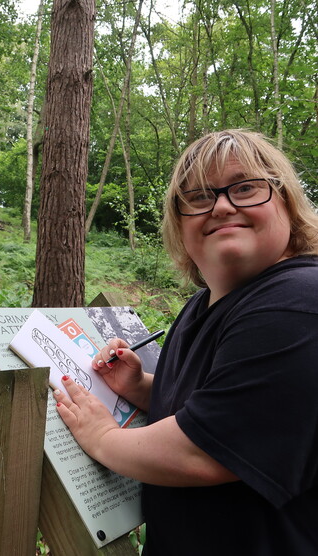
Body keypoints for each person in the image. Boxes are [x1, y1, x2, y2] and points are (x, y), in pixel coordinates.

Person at [54, 129, 318, 555]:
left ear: (286, 202)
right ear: (179, 223)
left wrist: (101, 436)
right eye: (198, 197)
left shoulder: (298, 302)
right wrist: (139, 387)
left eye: (246, 188)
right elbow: (224, 404)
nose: (223, 206)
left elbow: (204, 451)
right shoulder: (204, 304)